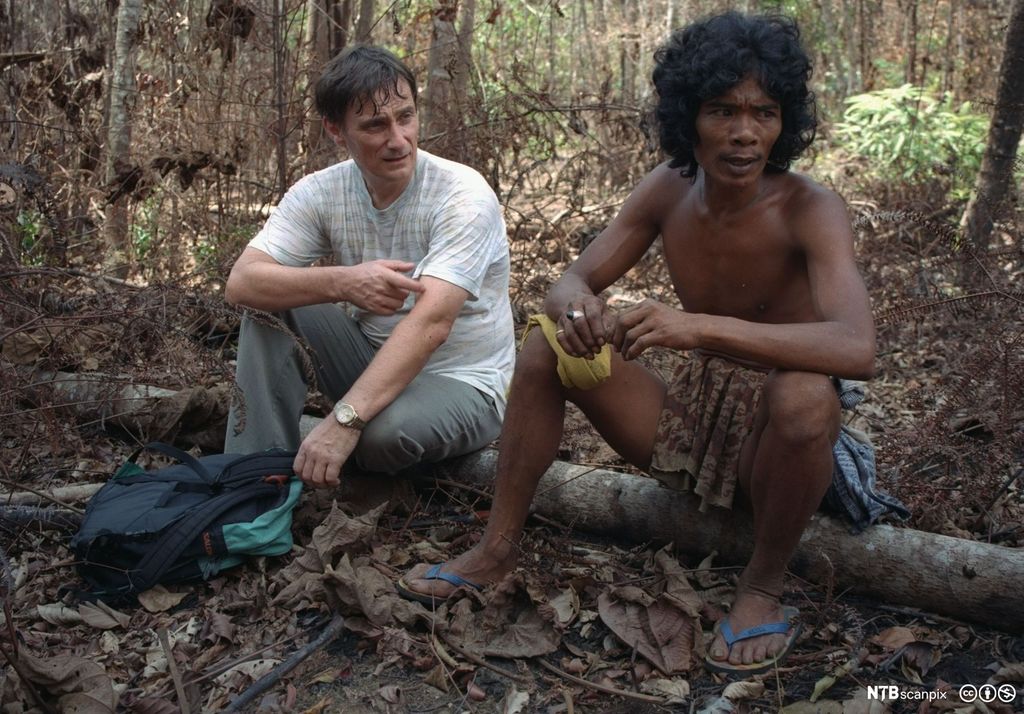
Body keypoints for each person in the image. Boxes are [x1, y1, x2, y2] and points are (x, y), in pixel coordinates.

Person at [398, 12, 876, 675]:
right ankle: (496, 547)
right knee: (547, 345)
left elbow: (857, 348)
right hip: (684, 427)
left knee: (803, 395)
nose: (744, 133)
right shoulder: (667, 189)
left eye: (764, 113)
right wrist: (580, 309)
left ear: (784, 121)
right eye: (722, 111)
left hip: (777, 445)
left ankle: (762, 587)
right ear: (688, 117)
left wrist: (696, 327)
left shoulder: (810, 207)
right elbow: (570, 280)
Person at [224, 46, 515, 488]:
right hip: (370, 365)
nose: (398, 140)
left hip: (462, 382)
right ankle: (248, 486)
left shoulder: (462, 196)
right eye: (376, 125)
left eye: (406, 117)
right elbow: (242, 282)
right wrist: (345, 282)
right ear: (337, 131)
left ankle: (359, 429)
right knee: (268, 304)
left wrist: (344, 421)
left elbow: (431, 323)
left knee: (381, 437)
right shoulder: (321, 192)